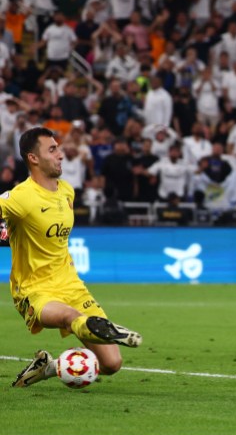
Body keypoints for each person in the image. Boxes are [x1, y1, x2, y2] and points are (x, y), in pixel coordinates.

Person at [3, 127, 142, 388]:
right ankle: (98, 326)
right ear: (33, 158)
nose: (61, 155)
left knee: (112, 364)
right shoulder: (20, 197)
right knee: (70, 316)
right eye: (52, 149)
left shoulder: (66, 191)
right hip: (35, 290)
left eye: (59, 148)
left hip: (71, 285)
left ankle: (49, 367)